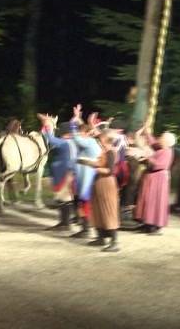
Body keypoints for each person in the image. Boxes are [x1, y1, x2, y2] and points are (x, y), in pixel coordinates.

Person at [80, 129, 120, 252]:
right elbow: (100, 163)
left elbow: (111, 171)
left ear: (105, 139)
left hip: (106, 183)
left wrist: (95, 168)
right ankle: (101, 237)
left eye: (101, 138)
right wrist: (87, 162)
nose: (99, 140)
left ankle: (114, 242)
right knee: (98, 210)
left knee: (108, 211)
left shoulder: (111, 152)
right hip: (99, 182)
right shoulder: (105, 151)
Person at [38, 114, 77, 231]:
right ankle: (64, 222)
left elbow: (50, 139)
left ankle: (65, 223)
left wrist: (47, 125)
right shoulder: (72, 142)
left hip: (64, 173)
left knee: (64, 198)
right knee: (64, 198)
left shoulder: (65, 142)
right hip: (67, 172)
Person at [133, 128, 176, 235]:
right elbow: (153, 142)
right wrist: (147, 132)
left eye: (161, 138)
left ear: (166, 141)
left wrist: (147, 156)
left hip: (159, 178)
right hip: (152, 177)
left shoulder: (167, 152)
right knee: (147, 200)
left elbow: (158, 164)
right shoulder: (160, 148)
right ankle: (147, 223)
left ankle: (155, 226)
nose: (159, 139)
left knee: (155, 201)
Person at [69, 104, 102, 238]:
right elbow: (82, 133)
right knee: (83, 202)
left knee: (85, 201)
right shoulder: (91, 141)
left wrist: (73, 122)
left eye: (82, 132)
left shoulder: (88, 142)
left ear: (86, 134)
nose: (79, 133)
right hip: (85, 175)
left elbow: (77, 138)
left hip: (86, 177)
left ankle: (86, 229)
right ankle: (85, 227)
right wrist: (79, 119)